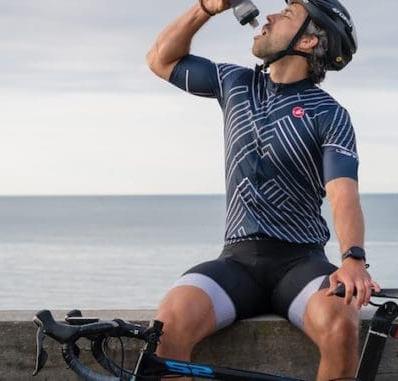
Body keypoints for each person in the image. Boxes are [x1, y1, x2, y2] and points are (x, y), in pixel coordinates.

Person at [146, 0, 380, 379]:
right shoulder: (235, 84)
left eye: (286, 15)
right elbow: (161, 59)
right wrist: (205, 8)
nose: (269, 16)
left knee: (341, 324)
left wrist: (353, 259)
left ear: (307, 42)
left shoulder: (329, 114)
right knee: (168, 326)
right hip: (236, 263)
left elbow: (343, 192)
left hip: (300, 263)